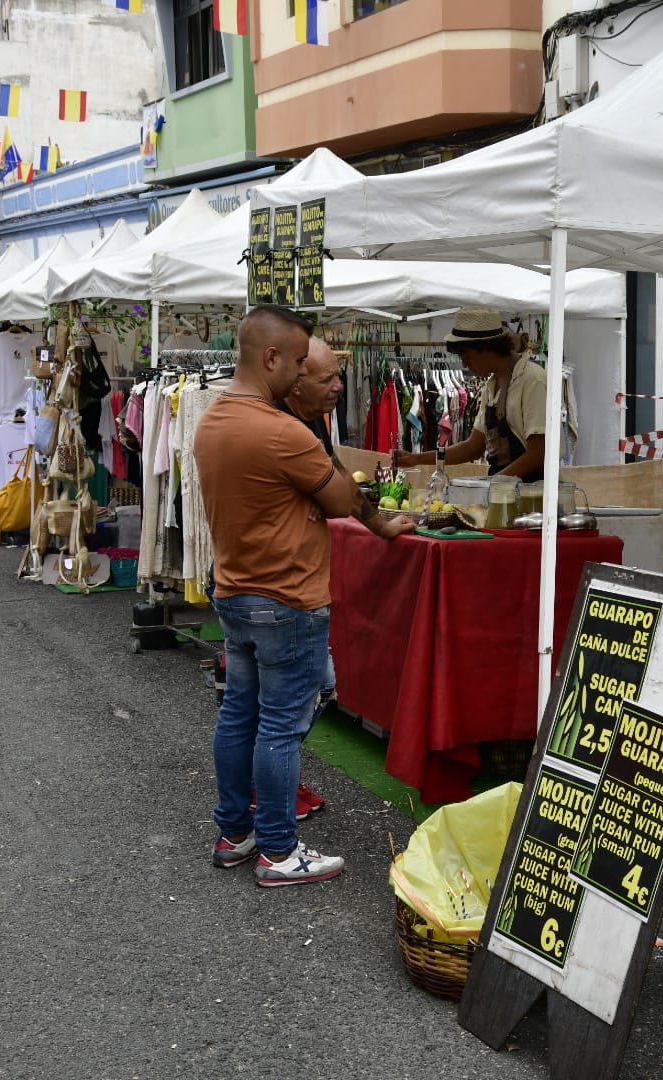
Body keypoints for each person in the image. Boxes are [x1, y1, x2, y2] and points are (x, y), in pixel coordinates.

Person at [192, 305, 412, 887]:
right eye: (295, 362)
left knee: (240, 717)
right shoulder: (283, 431)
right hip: (286, 596)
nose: (298, 375)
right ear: (270, 358)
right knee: (282, 725)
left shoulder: (213, 419)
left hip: (236, 590)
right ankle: (278, 851)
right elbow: (342, 498)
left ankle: (235, 832)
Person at [271, 337, 411, 822]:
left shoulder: (308, 418)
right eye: (328, 378)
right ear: (296, 378)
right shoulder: (282, 425)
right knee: (304, 694)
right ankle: (270, 803)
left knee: (272, 701)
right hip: (281, 584)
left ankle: (265, 792)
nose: (339, 386)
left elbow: (335, 474)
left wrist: (381, 524)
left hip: (264, 582)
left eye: (339, 376)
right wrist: (380, 523)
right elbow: (336, 491)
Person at [392, 307, 546, 481]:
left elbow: (539, 453)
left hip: (534, 497)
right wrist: (417, 459)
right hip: (503, 494)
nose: (465, 365)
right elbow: (473, 447)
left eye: (467, 357)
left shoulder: (532, 380)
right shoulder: (490, 387)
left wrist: (492, 484)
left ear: (488, 347)